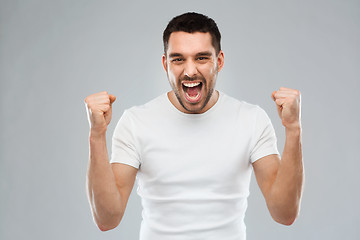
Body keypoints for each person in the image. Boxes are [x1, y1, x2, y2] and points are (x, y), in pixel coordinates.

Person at [84, 12, 304, 240]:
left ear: (218, 61)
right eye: (178, 59)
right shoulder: (135, 122)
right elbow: (107, 220)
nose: (190, 71)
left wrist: (293, 128)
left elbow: (284, 213)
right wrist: (97, 134)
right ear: (165, 63)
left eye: (201, 58)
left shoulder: (252, 119)